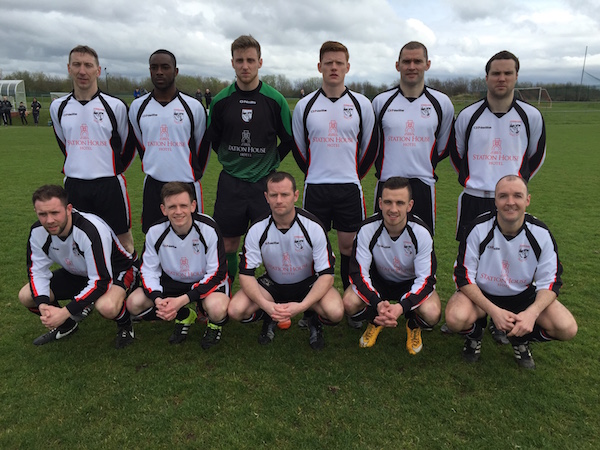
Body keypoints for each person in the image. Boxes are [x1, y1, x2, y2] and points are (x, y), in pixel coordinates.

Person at [448, 50, 547, 343]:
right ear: (487, 77)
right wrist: (471, 181)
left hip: (510, 201)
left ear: (516, 76)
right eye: (495, 73)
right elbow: (457, 154)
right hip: (475, 196)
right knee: (468, 259)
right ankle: (472, 324)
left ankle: (502, 315)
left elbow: (536, 156)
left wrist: (517, 186)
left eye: (507, 73)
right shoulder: (468, 115)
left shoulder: (531, 116)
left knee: (508, 258)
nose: (501, 78)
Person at [444, 175, 577, 369]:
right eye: (503, 196)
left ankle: (520, 338)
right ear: (495, 200)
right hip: (482, 295)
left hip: (522, 296)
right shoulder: (478, 228)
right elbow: (463, 275)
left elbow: (551, 281)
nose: (510, 202)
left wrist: (531, 313)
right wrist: (494, 311)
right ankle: (475, 335)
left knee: (567, 328)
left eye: (517, 195)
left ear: (527, 200)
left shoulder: (541, 234)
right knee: (455, 319)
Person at [292, 41, 378, 320]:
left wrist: (352, 174)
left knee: (348, 247)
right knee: (312, 247)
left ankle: (351, 302)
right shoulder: (305, 106)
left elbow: (369, 147)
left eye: (339, 63)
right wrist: (315, 172)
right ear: (319, 67)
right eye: (328, 63)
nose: (333, 67)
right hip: (315, 187)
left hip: (349, 187)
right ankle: (311, 308)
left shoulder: (361, 104)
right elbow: (299, 148)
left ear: (347, 67)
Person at [206, 35, 294, 286]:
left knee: (271, 242)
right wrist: (228, 160)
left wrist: (270, 163)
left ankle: (274, 293)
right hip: (231, 183)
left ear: (260, 62)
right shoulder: (221, 100)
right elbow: (214, 138)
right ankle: (226, 294)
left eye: (250, 60)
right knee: (228, 243)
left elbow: (288, 140)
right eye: (240, 60)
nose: (245, 65)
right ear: (232, 63)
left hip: (264, 185)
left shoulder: (275, 100)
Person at [228, 172, 344, 349]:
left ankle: (312, 318)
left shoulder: (313, 226)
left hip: (308, 285)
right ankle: (270, 316)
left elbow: (327, 275)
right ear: (266, 197)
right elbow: (246, 274)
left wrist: (302, 306)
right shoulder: (257, 229)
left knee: (335, 312)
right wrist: (266, 305)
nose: (279, 200)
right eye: (273, 195)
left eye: (285, 194)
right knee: (236, 310)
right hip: (273, 285)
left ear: (295, 196)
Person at [18, 185, 138, 348]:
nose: (49, 220)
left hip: (116, 271)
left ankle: (125, 326)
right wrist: (43, 305)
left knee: (107, 306)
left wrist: (65, 311)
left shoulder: (89, 229)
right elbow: (37, 273)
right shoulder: (38, 232)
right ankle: (66, 326)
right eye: (42, 214)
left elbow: (101, 281)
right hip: (78, 272)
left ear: (68, 209)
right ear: (35, 212)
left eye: (55, 213)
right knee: (26, 296)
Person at [49, 45, 137, 254]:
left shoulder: (115, 106)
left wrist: (111, 167)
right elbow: (64, 143)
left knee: (122, 241)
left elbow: (128, 146)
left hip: (109, 184)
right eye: (77, 65)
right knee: (79, 239)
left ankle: (130, 280)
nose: (82, 71)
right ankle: (90, 281)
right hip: (74, 184)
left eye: (88, 65)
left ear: (98, 70)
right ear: (69, 68)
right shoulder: (58, 107)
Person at [343, 177, 440, 354]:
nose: (393, 209)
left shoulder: (421, 232)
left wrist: (401, 307)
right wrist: (377, 303)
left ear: (409, 205)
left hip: (410, 283)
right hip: (380, 282)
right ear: (380, 203)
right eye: (388, 202)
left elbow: (426, 279)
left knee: (432, 313)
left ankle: (412, 323)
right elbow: (358, 273)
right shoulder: (367, 229)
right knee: (349, 303)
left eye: (399, 203)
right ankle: (375, 319)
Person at [127, 182, 230, 348]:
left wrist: (184, 299)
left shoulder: (208, 228)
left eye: (183, 205)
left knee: (217, 309)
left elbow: (217, 272)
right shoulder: (155, 231)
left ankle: (214, 324)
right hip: (172, 282)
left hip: (203, 281)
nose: (178, 211)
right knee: (133, 303)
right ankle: (183, 315)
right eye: (172, 206)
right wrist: (158, 299)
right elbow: (148, 270)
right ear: (163, 209)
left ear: (193, 206)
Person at [372, 41, 454, 233]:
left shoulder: (442, 103)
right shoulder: (380, 102)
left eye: (417, 61)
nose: (411, 66)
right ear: (397, 65)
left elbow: (443, 146)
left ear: (427, 64)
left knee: (422, 245)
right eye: (406, 61)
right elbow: (372, 145)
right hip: (387, 182)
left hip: (423, 184)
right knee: (382, 243)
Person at [129, 49, 209, 233]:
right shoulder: (137, 107)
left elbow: (202, 146)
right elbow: (141, 145)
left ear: (176, 71)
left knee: (192, 237)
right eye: (154, 67)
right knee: (153, 238)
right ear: (149, 71)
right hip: (153, 185)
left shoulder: (193, 107)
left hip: (186, 183)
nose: (159, 72)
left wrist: (193, 173)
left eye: (165, 67)